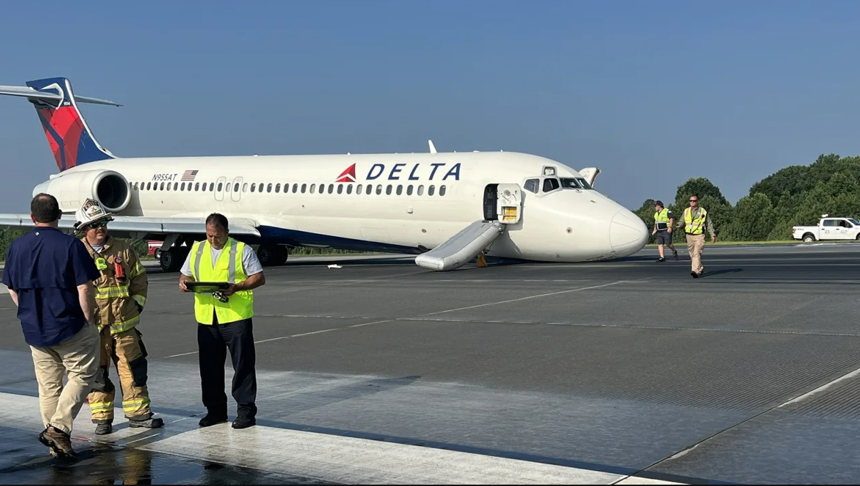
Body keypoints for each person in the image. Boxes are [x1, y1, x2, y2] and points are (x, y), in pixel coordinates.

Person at [2, 193, 102, 459]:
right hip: (69, 325)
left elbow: (12, 289)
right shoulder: (71, 246)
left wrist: (28, 312)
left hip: (35, 328)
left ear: (33, 217)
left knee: (48, 387)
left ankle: (55, 446)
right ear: (59, 215)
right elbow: (84, 287)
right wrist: (89, 317)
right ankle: (58, 429)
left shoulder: (17, 247)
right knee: (82, 375)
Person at [73, 199, 164, 435]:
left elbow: (139, 280)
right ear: (84, 228)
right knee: (98, 374)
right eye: (94, 224)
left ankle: (139, 415)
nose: (100, 228)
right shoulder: (75, 253)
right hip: (94, 329)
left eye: (103, 222)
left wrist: (135, 306)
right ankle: (102, 419)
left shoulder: (123, 249)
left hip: (125, 327)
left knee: (134, 370)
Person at [178, 213, 266, 429]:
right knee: (209, 368)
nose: (213, 240)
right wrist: (185, 283)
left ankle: (246, 411)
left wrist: (238, 286)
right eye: (209, 235)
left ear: (227, 232)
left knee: (243, 365)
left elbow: (259, 277)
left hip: (235, 317)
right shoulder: (198, 249)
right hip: (207, 317)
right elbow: (185, 275)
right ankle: (215, 411)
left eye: (217, 236)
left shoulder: (241, 249)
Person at [676, 194, 717, 278]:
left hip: (699, 235)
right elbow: (681, 221)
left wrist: (712, 234)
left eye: (694, 201)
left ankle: (694, 270)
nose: (692, 202)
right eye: (691, 201)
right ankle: (700, 267)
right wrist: (678, 225)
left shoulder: (703, 211)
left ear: (697, 202)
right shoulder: (686, 211)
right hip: (689, 236)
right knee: (692, 253)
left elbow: (708, 223)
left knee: (696, 253)